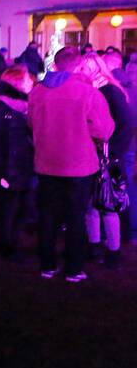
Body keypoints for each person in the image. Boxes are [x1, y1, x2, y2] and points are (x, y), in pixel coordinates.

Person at [28, 46, 114, 282]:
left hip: (46, 163)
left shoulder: (37, 93)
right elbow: (103, 130)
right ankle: (74, 269)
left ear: (55, 65)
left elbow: (31, 123)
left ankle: (47, 264)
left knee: (48, 216)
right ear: (79, 65)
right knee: (76, 217)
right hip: (79, 165)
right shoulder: (88, 93)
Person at [77, 53, 131, 268]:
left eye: (85, 68)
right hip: (92, 153)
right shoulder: (96, 89)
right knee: (92, 203)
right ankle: (95, 246)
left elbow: (126, 123)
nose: (82, 71)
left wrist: (113, 152)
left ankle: (112, 251)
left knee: (106, 203)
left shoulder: (108, 90)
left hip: (106, 155)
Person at [0, 66, 35, 259]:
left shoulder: (22, 106)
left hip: (21, 164)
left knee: (22, 206)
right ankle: (7, 245)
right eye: (27, 79)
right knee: (11, 207)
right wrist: (0, 170)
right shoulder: (4, 107)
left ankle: (11, 242)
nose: (31, 82)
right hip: (9, 167)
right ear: (17, 83)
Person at [107, 50, 137, 244]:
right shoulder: (131, 87)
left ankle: (114, 232)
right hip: (130, 145)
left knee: (111, 188)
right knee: (127, 187)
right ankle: (130, 231)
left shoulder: (110, 89)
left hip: (114, 145)